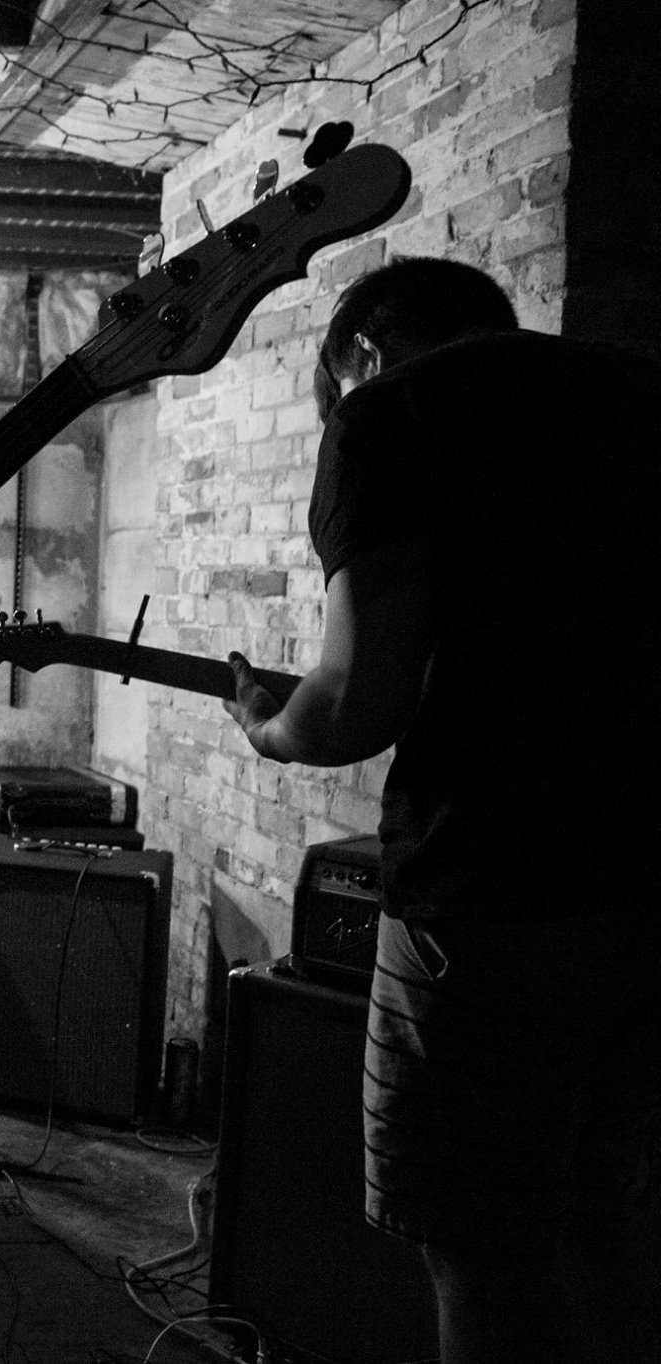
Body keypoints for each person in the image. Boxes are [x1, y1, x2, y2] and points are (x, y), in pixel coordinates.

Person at [223, 257, 661, 1364]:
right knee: (606, 1221)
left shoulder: (391, 414)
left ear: (363, 353)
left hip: (490, 893)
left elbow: (353, 702)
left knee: (479, 1249)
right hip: (644, 892)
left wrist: (268, 727)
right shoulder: (633, 392)